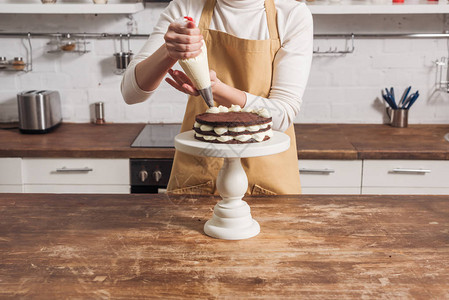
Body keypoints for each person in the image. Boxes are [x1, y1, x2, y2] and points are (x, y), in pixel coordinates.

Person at [121, 0, 313, 195]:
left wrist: (215, 88)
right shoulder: (187, 8)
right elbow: (131, 93)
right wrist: (169, 50)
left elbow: (283, 115)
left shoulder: (291, 14)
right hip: (200, 179)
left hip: (268, 182)